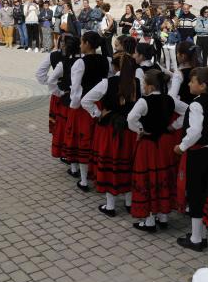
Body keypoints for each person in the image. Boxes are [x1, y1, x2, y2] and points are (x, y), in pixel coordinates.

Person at [83, 53, 140, 223]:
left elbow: (86, 100)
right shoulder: (137, 83)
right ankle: (129, 202)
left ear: (115, 67)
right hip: (130, 131)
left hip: (111, 130)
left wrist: (97, 113)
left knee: (111, 163)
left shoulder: (107, 83)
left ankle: (110, 206)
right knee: (128, 163)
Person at [175, 67, 208, 251]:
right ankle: (200, 234)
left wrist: (181, 146)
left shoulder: (196, 104)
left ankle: (196, 239)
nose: (189, 84)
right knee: (203, 193)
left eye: (192, 81)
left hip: (197, 154)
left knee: (195, 193)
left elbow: (195, 131)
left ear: (202, 86)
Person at [127, 69, 177, 229]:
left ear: (150, 86)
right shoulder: (169, 99)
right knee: (163, 175)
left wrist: (140, 130)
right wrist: (173, 126)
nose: (142, 86)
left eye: (144, 83)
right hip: (165, 144)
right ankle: (163, 217)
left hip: (149, 144)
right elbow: (186, 111)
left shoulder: (144, 101)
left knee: (149, 177)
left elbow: (130, 119)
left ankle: (149, 221)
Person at [62, 31, 111, 192]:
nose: (80, 45)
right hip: (101, 102)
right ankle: (96, 174)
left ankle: (83, 180)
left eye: (82, 42)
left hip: (84, 105)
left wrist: (74, 106)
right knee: (97, 140)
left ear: (87, 44)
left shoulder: (80, 63)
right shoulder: (106, 60)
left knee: (83, 141)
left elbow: (76, 88)